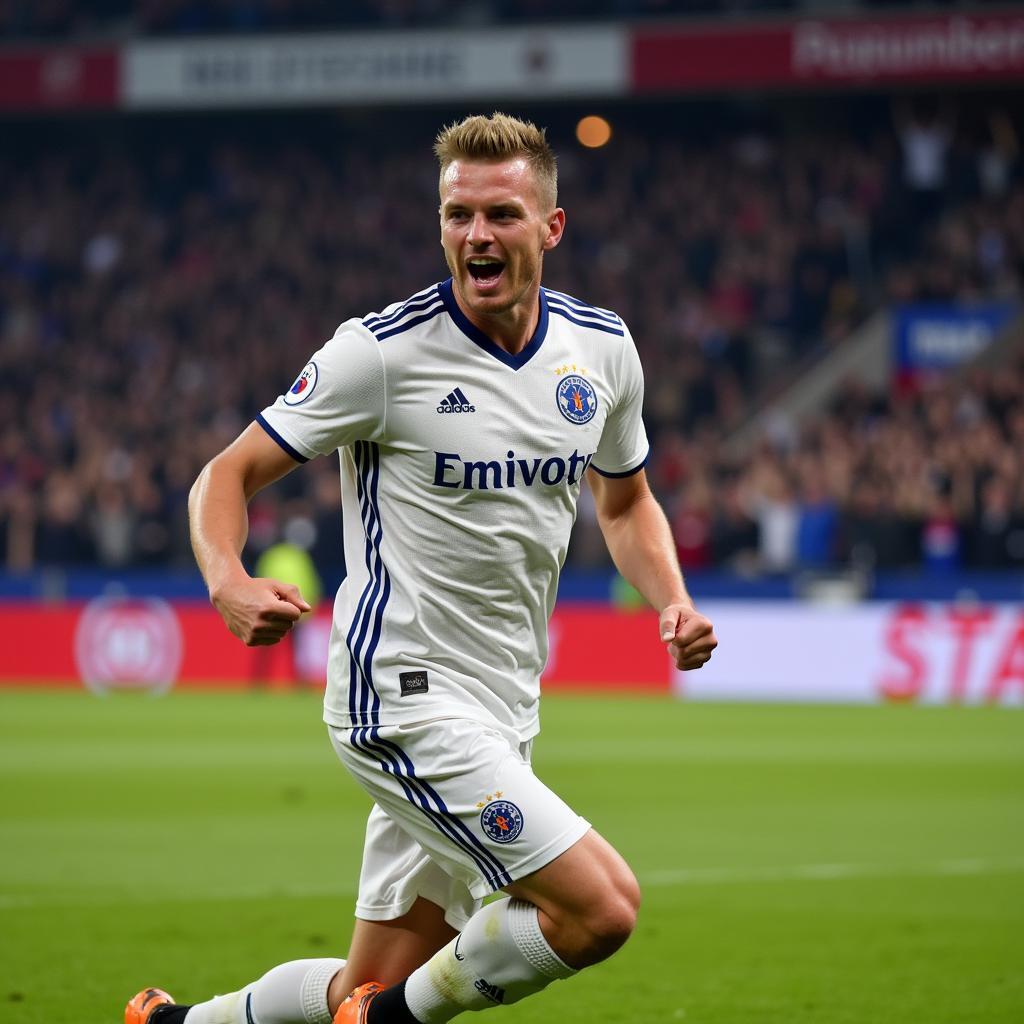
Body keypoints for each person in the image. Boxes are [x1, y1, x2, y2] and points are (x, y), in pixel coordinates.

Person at [126, 112, 717, 1024]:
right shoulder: (380, 354)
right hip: (398, 693)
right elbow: (226, 473)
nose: (476, 235)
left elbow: (626, 501)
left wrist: (671, 601)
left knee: (358, 984)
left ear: (550, 228)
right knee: (601, 908)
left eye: (502, 215)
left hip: (504, 702)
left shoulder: (601, 352)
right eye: (458, 215)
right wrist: (226, 580)